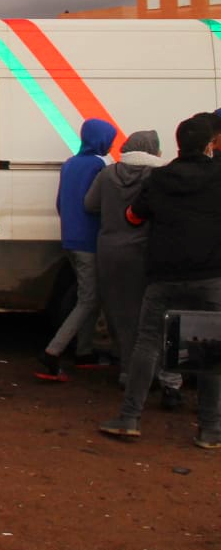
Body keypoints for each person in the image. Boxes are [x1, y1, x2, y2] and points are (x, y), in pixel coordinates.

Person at [99, 116, 221, 448]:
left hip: (163, 273)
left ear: (178, 144)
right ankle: (210, 429)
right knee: (207, 350)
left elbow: (133, 217)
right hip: (209, 275)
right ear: (210, 145)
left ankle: (130, 417)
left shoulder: (161, 177)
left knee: (147, 343)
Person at [83, 130, 181, 406]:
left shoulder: (108, 174)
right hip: (145, 254)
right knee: (152, 320)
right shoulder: (158, 177)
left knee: (121, 315)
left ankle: (127, 371)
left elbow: (90, 204)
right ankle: (155, 375)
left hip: (110, 252)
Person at [38, 119, 117, 380]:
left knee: (88, 295)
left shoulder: (71, 163)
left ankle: (85, 352)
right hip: (89, 240)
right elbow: (96, 203)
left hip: (70, 238)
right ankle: (52, 352)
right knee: (88, 300)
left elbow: (61, 202)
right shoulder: (98, 166)